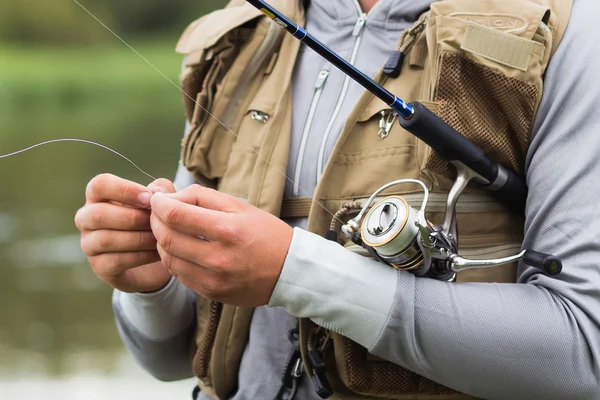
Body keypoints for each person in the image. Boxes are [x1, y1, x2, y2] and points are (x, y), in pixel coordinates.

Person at [75, 0, 600, 399]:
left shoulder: (573, 31)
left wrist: (295, 273)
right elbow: (168, 358)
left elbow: (584, 353)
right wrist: (152, 286)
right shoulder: (242, 37)